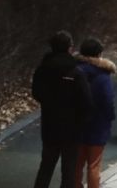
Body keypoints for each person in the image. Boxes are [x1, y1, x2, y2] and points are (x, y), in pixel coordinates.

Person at [32, 31, 92, 188]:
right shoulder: (76, 72)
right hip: (72, 129)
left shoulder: (43, 69)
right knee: (69, 170)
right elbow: (86, 101)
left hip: (50, 125)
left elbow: (37, 93)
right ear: (69, 48)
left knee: (46, 166)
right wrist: (82, 120)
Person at [73, 38, 115, 188]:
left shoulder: (73, 72)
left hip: (76, 123)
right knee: (94, 165)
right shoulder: (103, 76)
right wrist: (110, 118)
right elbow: (108, 101)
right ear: (99, 54)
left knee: (76, 164)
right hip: (98, 125)